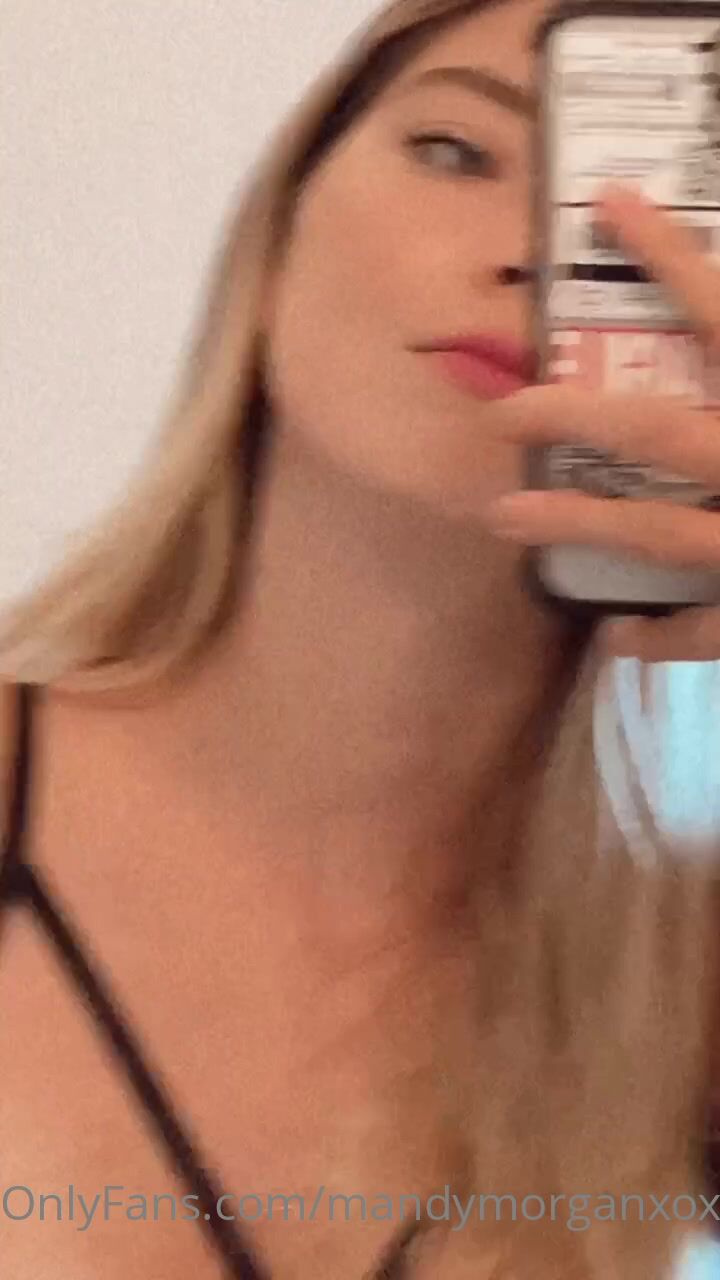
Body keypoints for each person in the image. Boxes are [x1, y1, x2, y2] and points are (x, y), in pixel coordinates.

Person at [1, 0, 720, 1276]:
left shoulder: (679, 984)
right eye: (457, 151)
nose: (536, 251)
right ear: (278, 234)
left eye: (667, 215)